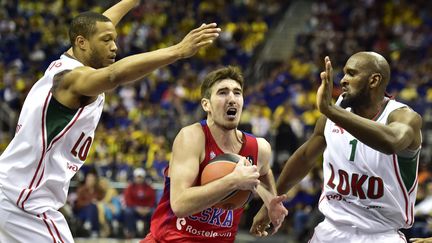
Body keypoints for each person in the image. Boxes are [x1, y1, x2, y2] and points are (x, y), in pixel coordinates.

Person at [0, 0, 221, 242]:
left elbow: (100, 23)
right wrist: (177, 51)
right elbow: (115, 75)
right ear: (81, 43)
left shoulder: (69, 59)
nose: (115, 47)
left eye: (114, 39)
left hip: (11, 190)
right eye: (107, 41)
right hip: (23, 201)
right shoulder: (73, 79)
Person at [251, 52, 423, 242]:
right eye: (343, 73)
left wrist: (330, 110)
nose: (343, 80)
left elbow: (391, 142)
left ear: (373, 80)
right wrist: (270, 202)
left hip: (380, 235)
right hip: (330, 230)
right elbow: (305, 157)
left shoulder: (403, 117)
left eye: (351, 73)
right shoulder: (334, 114)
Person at [142, 66, 288, 243]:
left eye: (237, 93)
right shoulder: (192, 137)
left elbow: (264, 171)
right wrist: (233, 181)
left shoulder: (260, 148)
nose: (232, 99)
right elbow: (179, 205)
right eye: (223, 93)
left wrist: (269, 202)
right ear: (206, 105)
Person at [123, 167, 156, 238]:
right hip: (134, 209)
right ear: (134, 177)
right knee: (128, 211)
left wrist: (147, 209)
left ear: (144, 178)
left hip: (147, 210)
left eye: (140, 177)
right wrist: (136, 208)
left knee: (154, 212)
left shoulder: (149, 188)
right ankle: (130, 232)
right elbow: (128, 201)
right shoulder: (130, 187)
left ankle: (151, 232)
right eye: (138, 177)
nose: (139, 179)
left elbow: (152, 200)